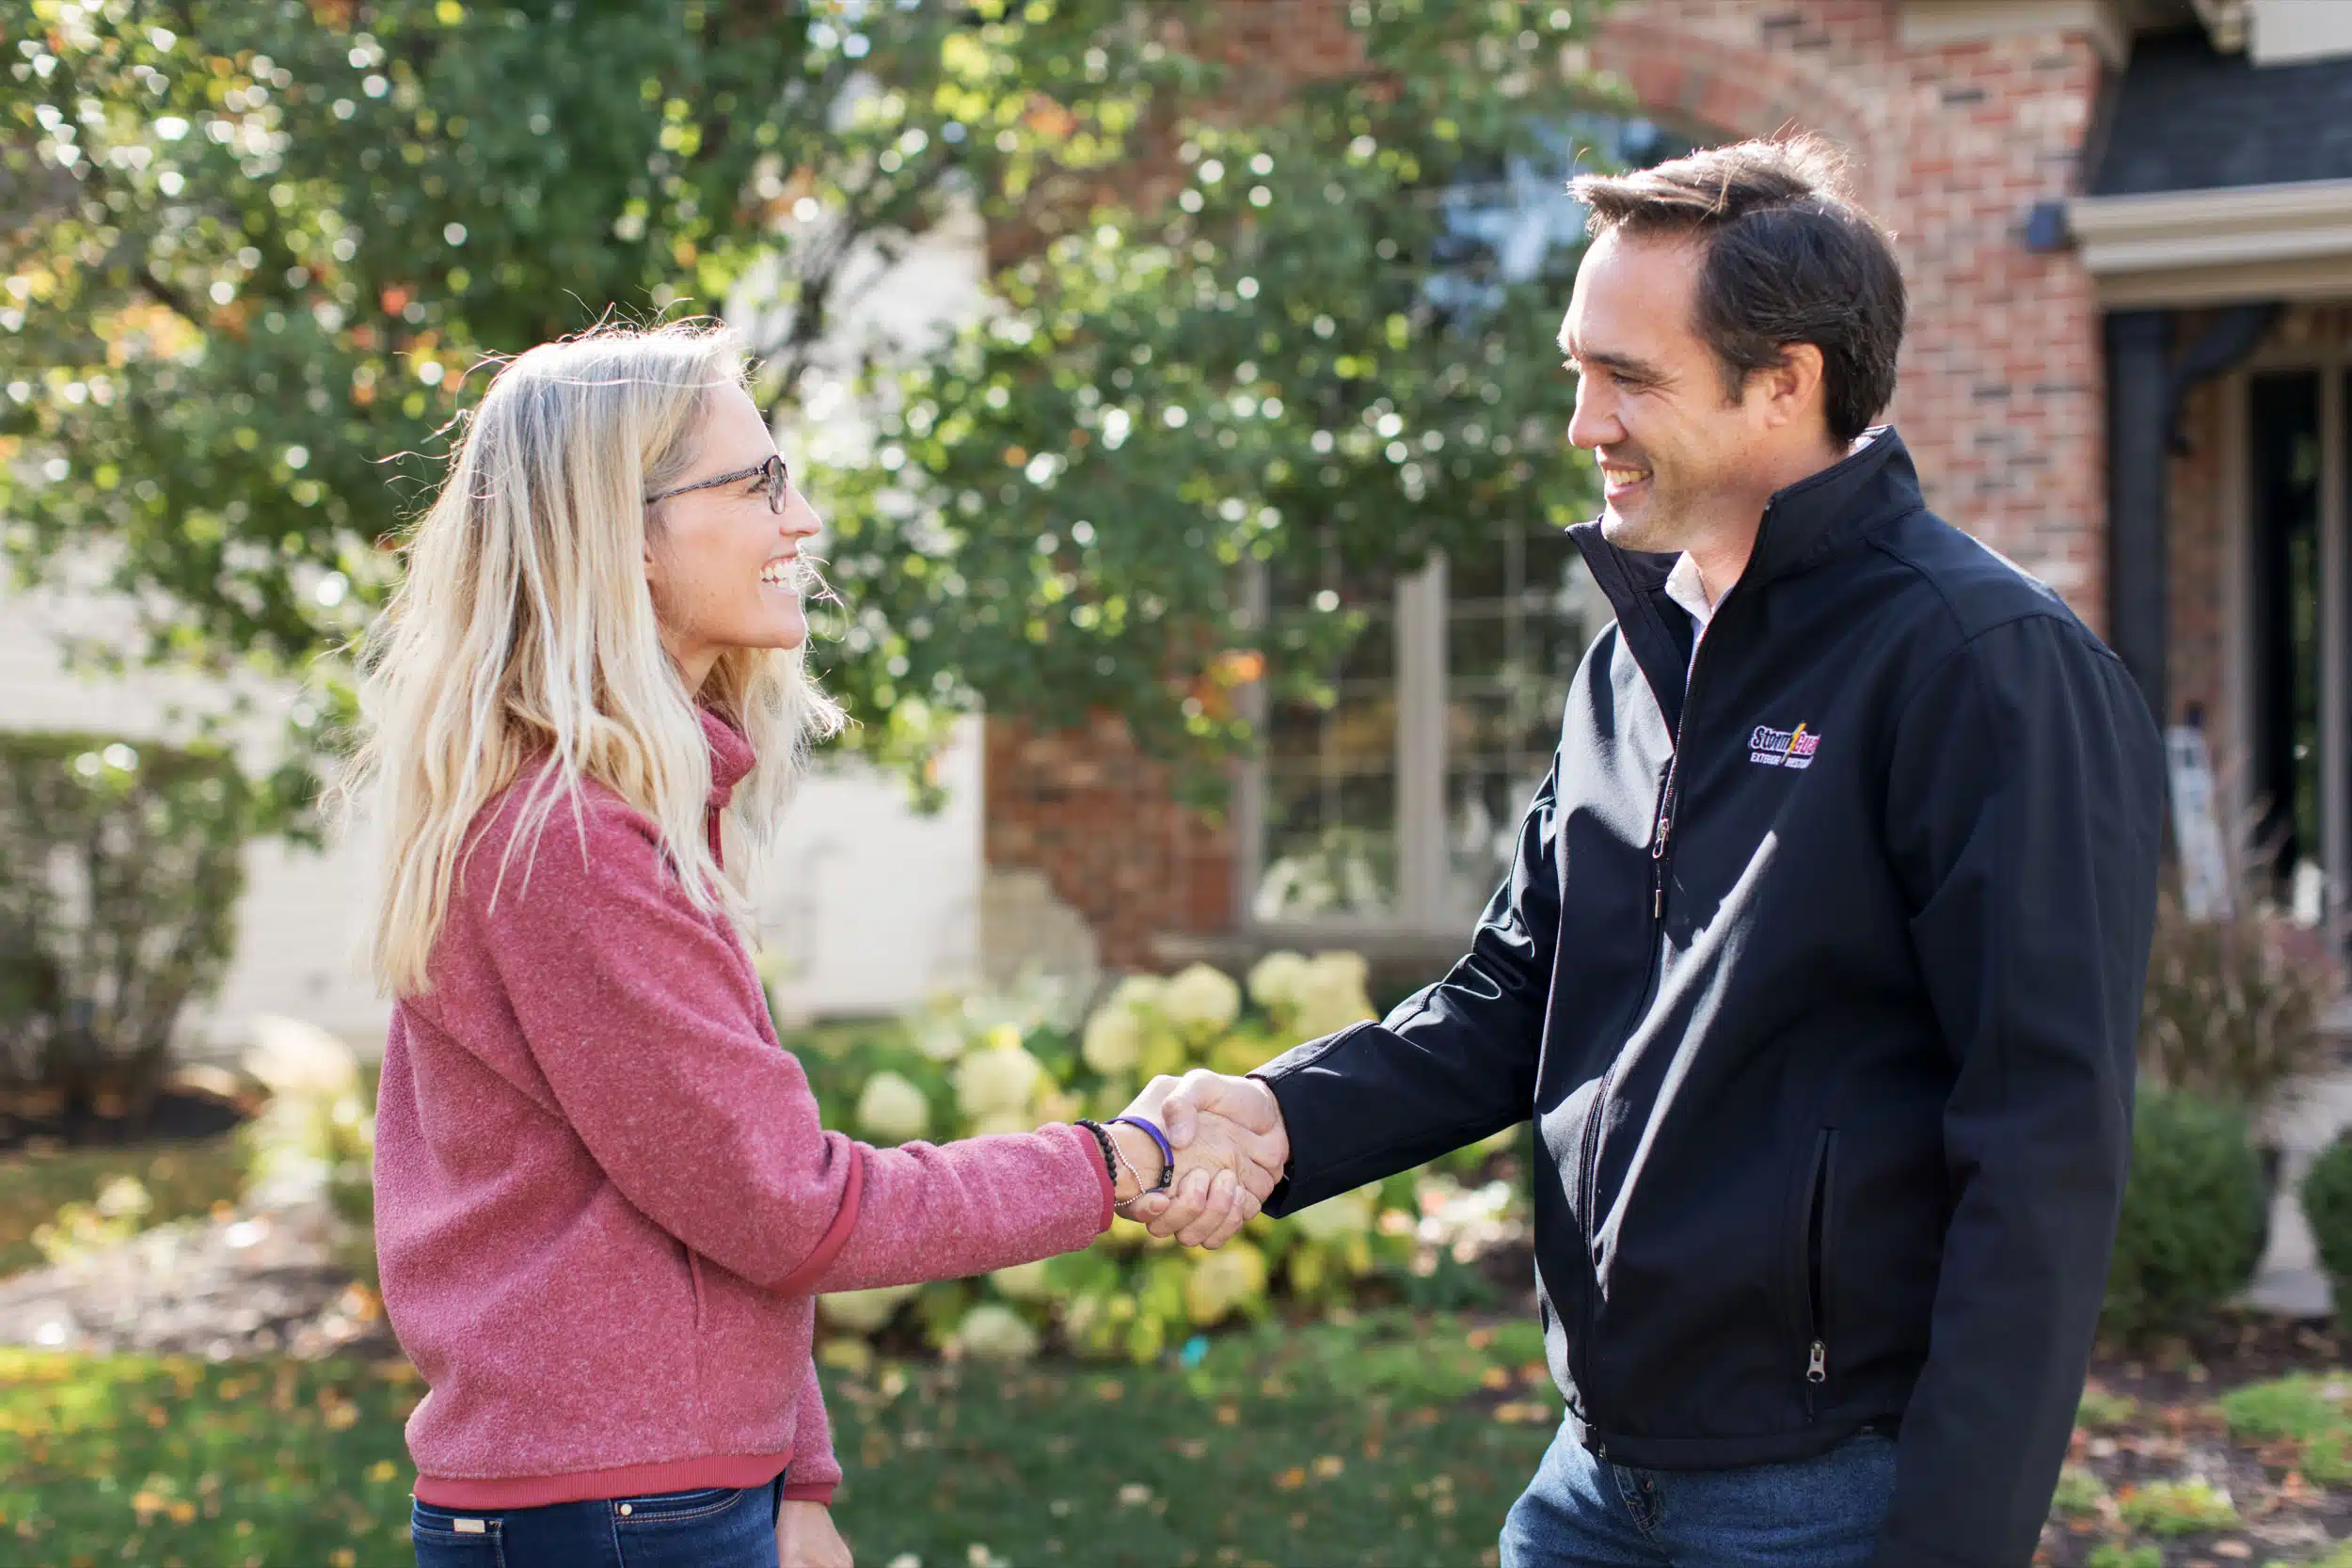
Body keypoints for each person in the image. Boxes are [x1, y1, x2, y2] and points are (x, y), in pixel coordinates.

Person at [1133, 135, 2167, 1567]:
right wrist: (1279, 1113)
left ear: (1785, 383)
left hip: (1829, 1499)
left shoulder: (1984, 666)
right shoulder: (1635, 658)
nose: (1582, 422)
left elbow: (2044, 1149)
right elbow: (1512, 995)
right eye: (1579, 367)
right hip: (1594, 1482)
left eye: (1630, 376)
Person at [343, 323, 1283, 1568]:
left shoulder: (617, 819)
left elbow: (714, 1194)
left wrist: (798, 1474)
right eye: (759, 484)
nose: (803, 522)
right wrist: (1114, 1161)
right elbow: (791, 1206)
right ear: (621, 532)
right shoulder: (571, 842)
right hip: (616, 1515)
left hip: (647, 1496)